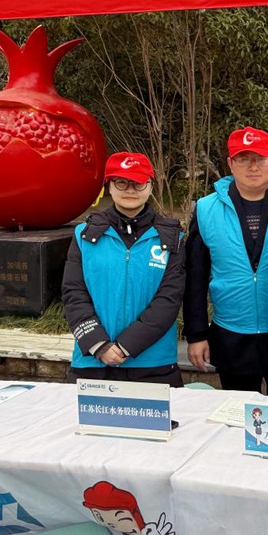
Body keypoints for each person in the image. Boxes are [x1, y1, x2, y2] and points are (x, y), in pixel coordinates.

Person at [183, 127, 268, 395]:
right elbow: (195, 278)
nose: (253, 166)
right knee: (236, 412)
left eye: (261, 158)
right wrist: (196, 334)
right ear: (230, 163)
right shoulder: (206, 209)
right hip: (231, 332)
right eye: (243, 159)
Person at [62, 152, 185, 386]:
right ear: (108, 185)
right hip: (93, 362)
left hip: (154, 364)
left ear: (150, 186)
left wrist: (126, 346)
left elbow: (169, 299)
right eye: (121, 182)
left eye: (138, 183)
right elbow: (73, 294)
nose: (130, 190)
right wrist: (99, 346)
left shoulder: (172, 238)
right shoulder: (84, 236)